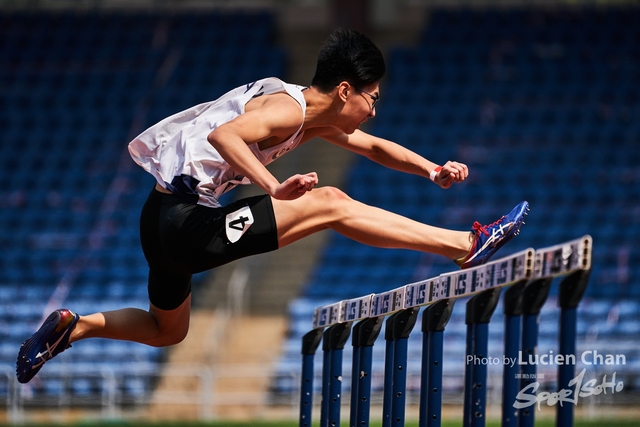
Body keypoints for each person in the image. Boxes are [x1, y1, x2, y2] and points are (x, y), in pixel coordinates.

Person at [16, 28, 528, 384]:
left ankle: (74, 325)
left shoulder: (309, 116)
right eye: (371, 97)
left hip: (159, 221)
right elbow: (225, 134)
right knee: (330, 201)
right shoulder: (288, 108)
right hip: (185, 222)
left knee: (167, 330)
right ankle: (465, 244)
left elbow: (373, 146)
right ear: (345, 89)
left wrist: (431, 169)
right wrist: (271, 185)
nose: (373, 108)